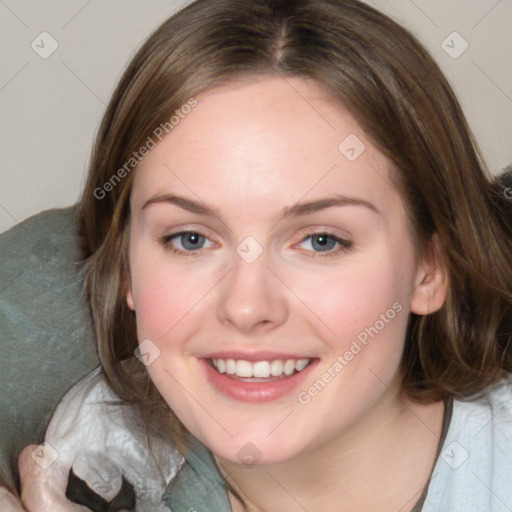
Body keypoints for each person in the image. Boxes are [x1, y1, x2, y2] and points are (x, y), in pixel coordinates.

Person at [3, 0, 512, 510]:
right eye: (191, 239)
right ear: (127, 268)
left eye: (321, 241)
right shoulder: (85, 457)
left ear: (430, 268)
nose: (247, 307)